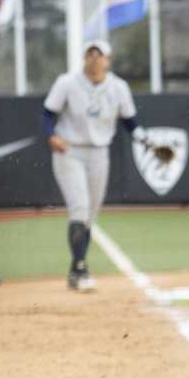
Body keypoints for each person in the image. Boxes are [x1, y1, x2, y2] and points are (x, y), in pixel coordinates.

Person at [42, 40, 149, 292]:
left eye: (98, 54)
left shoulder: (118, 87)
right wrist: (50, 135)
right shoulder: (67, 82)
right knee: (79, 208)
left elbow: (129, 121)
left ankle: (75, 269)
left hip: (99, 153)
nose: (93, 58)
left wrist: (145, 140)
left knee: (90, 215)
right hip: (69, 150)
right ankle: (80, 269)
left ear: (108, 60)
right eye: (89, 53)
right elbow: (48, 113)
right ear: (84, 58)